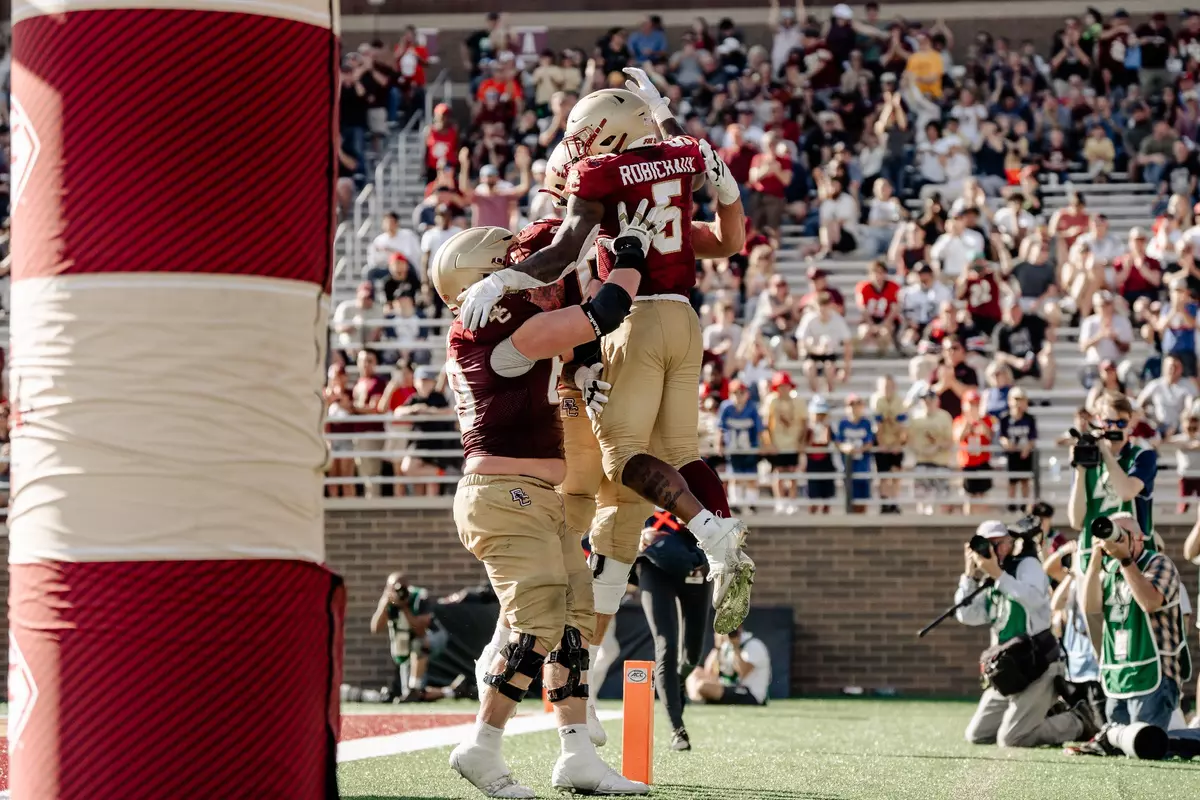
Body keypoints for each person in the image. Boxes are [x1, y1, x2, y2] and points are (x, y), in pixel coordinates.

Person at [457, 69, 755, 637]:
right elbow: (725, 237)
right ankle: (721, 533)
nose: (575, 150)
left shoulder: (599, 180)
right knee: (673, 462)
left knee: (615, 476)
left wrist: (506, 286)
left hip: (624, 332)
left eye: (586, 135)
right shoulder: (682, 155)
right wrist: (672, 121)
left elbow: (565, 255)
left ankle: (709, 541)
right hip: (686, 321)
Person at [435, 212, 657, 796]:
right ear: (483, 280)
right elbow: (604, 312)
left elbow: (565, 341)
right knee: (536, 625)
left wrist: (578, 372)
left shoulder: (490, 329)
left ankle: (576, 754)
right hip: (504, 498)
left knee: (574, 626)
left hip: (533, 496)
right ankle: (481, 745)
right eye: (508, 269)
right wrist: (630, 252)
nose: (524, 276)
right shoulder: (500, 333)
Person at [956, 521, 1097, 748]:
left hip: (1038, 666)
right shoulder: (991, 579)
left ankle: (1078, 720)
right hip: (1008, 668)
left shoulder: (1027, 566)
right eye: (985, 545)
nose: (991, 551)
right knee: (977, 735)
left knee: (1012, 739)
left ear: (1010, 543)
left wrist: (999, 575)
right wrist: (969, 576)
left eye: (997, 543)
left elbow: (1035, 600)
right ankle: (1049, 712)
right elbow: (967, 615)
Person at [1079, 513, 1195, 733]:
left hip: (1155, 673)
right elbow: (1090, 607)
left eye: (1122, 535)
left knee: (1145, 745)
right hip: (1120, 673)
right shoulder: (1109, 570)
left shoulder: (1159, 563)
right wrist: (1095, 562)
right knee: (1121, 746)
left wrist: (1125, 560)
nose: (1116, 541)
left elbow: (1150, 602)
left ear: (1139, 537)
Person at [636, 516, 711, 752]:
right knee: (665, 645)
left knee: (692, 655)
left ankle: (675, 684)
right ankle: (677, 728)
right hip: (652, 562)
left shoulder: (700, 480)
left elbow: (721, 515)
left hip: (693, 560)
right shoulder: (637, 481)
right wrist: (637, 533)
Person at [1067, 392, 1158, 576]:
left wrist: (1105, 453)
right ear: (1099, 421)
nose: (1114, 427)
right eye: (1109, 422)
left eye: (1121, 422)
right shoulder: (1090, 461)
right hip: (1094, 557)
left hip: (1132, 557)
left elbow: (1127, 492)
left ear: (1131, 422)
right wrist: (1080, 471)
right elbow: (1076, 521)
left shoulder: (1143, 457)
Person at [369, 573, 456, 702]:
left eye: (401, 588)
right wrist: (383, 606)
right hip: (410, 646)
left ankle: (414, 686)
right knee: (412, 694)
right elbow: (375, 629)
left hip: (433, 637)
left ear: (408, 587)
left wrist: (404, 607)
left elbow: (421, 631)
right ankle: (451, 691)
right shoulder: (388, 602)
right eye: (393, 588)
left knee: (418, 644)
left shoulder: (419, 597)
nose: (397, 592)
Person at [686, 626, 771, 707]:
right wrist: (717, 648)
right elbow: (709, 672)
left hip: (749, 693)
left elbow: (743, 673)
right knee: (694, 673)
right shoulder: (725, 645)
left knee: (702, 686)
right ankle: (698, 701)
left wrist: (735, 647)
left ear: (740, 628)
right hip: (727, 687)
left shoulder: (753, 645)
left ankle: (701, 701)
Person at [999, 388, 1038, 512]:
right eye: (1016, 399)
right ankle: (1011, 505)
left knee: (1025, 480)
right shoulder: (1005, 418)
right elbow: (1002, 436)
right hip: (1011, 454)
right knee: (1012, 481)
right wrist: (1007, 443)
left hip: (1025, 454)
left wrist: (1027, 448)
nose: (1018, 403)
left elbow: (1033, 437)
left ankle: (1025, 506)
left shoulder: (1029, 418)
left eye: (1021, 399)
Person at [836, 394, 875, 513]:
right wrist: (846, 448)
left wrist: (858, 449)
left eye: (857, 404)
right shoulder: (843, 424)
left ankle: (862, 526)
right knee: (849, 498)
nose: (854, 408)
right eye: (851, 405)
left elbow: (870, 442)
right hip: (848, 468)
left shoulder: (866, 423)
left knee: (862, 501)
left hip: (863, 467)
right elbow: (838, 442)